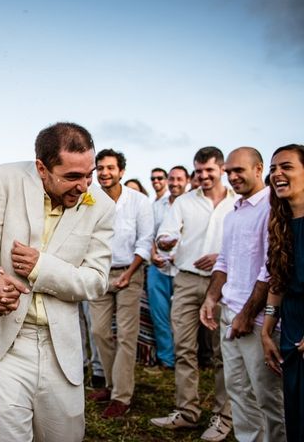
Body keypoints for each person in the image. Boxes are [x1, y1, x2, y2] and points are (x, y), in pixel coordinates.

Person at [0, 122, 115, 441]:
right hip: (7, 344)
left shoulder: (102, 207)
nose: (84, 186)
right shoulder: (3, 179)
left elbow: (96, 281)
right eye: (73, 177)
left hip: (61, 349)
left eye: (88, 174)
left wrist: (41, 267)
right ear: (41, 168)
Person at [200, 147, 285, 441]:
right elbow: (223, 261)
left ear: (259, 168)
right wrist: (212, 298)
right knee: (238, 392)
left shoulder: (272, 208)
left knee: (268, 397)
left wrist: (247, 316)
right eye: (229, 172)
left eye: (239, 170)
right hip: (230, 312)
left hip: (259, 319)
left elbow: (271, 268)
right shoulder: (233, 212)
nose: (233, 177)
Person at [151, 146, 235, 442]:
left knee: (223, 352)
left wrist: (221, 256)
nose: (203, 176)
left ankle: (223, 417)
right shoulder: (184, 202)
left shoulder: (237, 202)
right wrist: (164, 243)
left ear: (222, 169)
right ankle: (186, 412)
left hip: (225, 283)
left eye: (209, 170)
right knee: (183, 347)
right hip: (186, 280)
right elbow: (166, 235)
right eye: (198, 171)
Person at [88, 149, 153, 418]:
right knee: (100, 332)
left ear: (121, 172)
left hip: (130, 271)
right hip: (99, 272)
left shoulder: (138, 201)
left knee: (127, 335)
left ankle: (122, 397)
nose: (104, 172)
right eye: (100, 168)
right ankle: (111, 384)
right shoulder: (89, 199)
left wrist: (130, 273)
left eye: (110, 168)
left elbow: (145, 240)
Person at [262, 144, 304, 442]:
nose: (277, 173)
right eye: (273, 168)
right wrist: (266, 330)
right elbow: (278, 281)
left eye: (286, 166)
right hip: (290, 329)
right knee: (295, 413)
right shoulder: (282, 224)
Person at [147, 165, 189, 370]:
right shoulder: (156, 206)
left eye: (179, 179)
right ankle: (167, 359)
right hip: (158, 268)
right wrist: (153, 254)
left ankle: (186, 358)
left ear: (187, 180)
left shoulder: (192, 204)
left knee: (182, 318)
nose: (175, 183)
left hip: (183, 269)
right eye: (171, 179)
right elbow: (149, 234)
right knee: (160, 315)